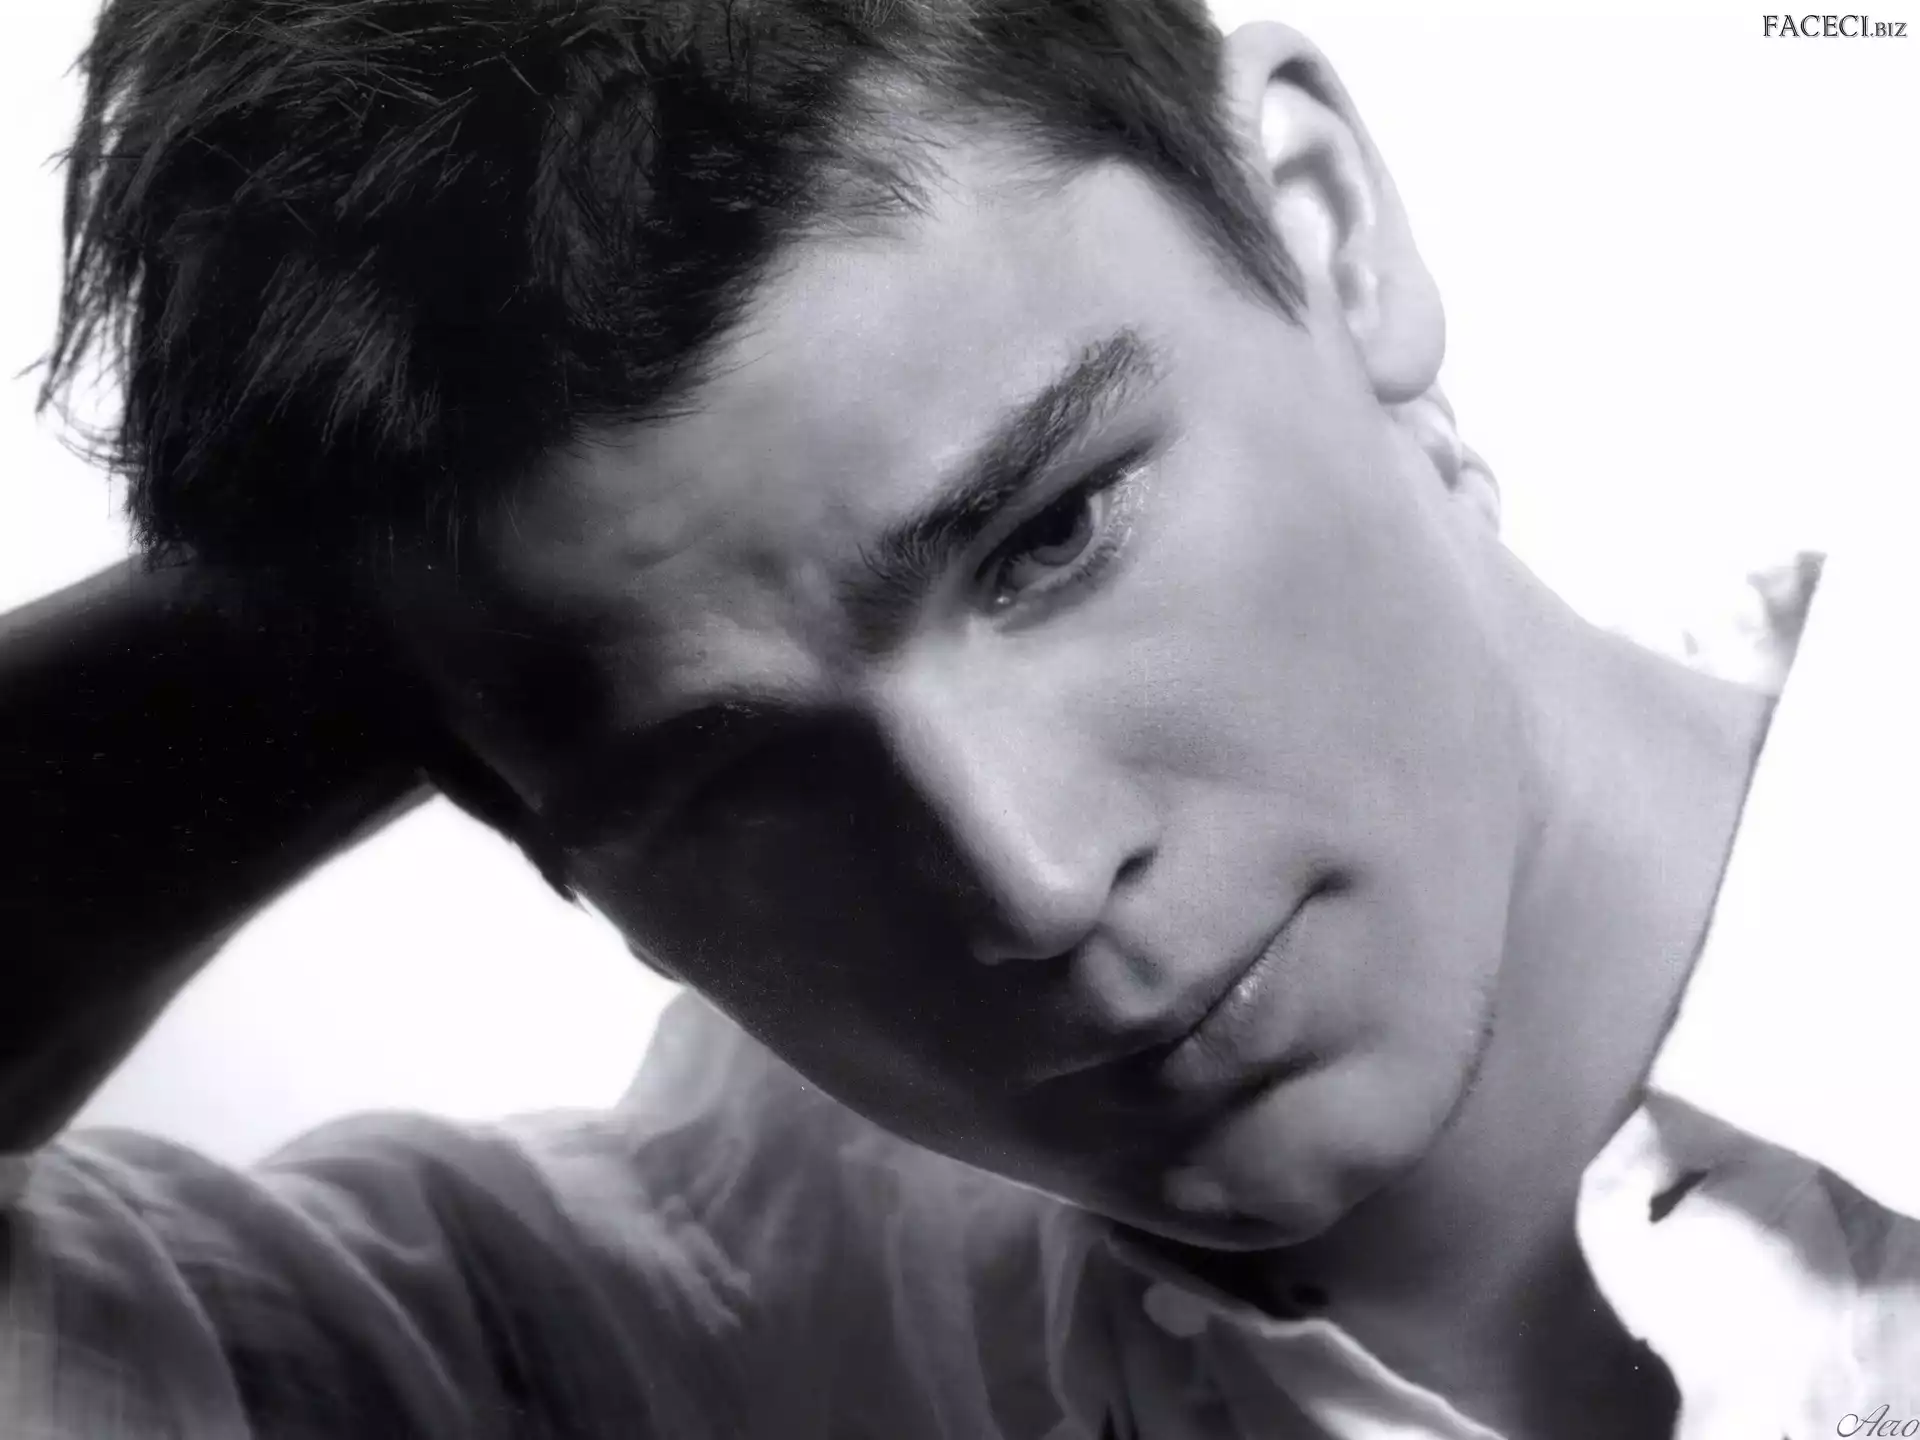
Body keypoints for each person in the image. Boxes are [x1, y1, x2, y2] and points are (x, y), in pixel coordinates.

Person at [1, 1, 1912, 1436]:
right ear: (519, 820)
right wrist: (371, 587)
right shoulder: (740, 1307)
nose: (1034, 876)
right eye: (735, 776)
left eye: (1052, 535)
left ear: (1327, 226)